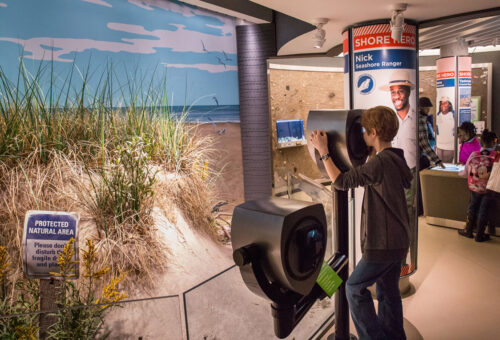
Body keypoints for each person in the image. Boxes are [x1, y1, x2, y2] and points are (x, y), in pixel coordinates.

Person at [310, 106, 412, 340]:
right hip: (399, 241)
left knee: (353, 288)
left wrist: (324, 151)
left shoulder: (379, 164)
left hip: (383, 243)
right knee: (388, 292)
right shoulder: (395, 158)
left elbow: (341, 182)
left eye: (365, 130)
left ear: (374, 132)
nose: (361, 134)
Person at [380, 69, 417, 274]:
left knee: (407, 220)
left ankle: (403, 263)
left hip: (409, 176)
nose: (396, 96)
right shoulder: (389, 120)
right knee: (391, 220)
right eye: (393, 92)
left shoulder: (416, 119)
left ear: (408, 92)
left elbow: (423, 148)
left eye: (400, 91)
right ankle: (393, 262)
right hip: (390, 176)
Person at [457, 129, 497, 242]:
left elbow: (465, 171)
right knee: (483, 211)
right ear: (494, 142)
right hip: (488, 188)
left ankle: (468, 230)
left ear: (481, 142)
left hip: (474, 186)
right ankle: (480, 235)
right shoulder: (496, 156)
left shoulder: (474, 154)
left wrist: (460, 174)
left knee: (472, 208)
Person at [436, 96, 455, 163]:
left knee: (446, 166)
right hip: (439, 146)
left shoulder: (453, 114)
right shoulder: (438, 115)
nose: (443, 105)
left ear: (449, 104)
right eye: (442, 103)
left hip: (449, 147)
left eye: (445, 103)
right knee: (439, 167)